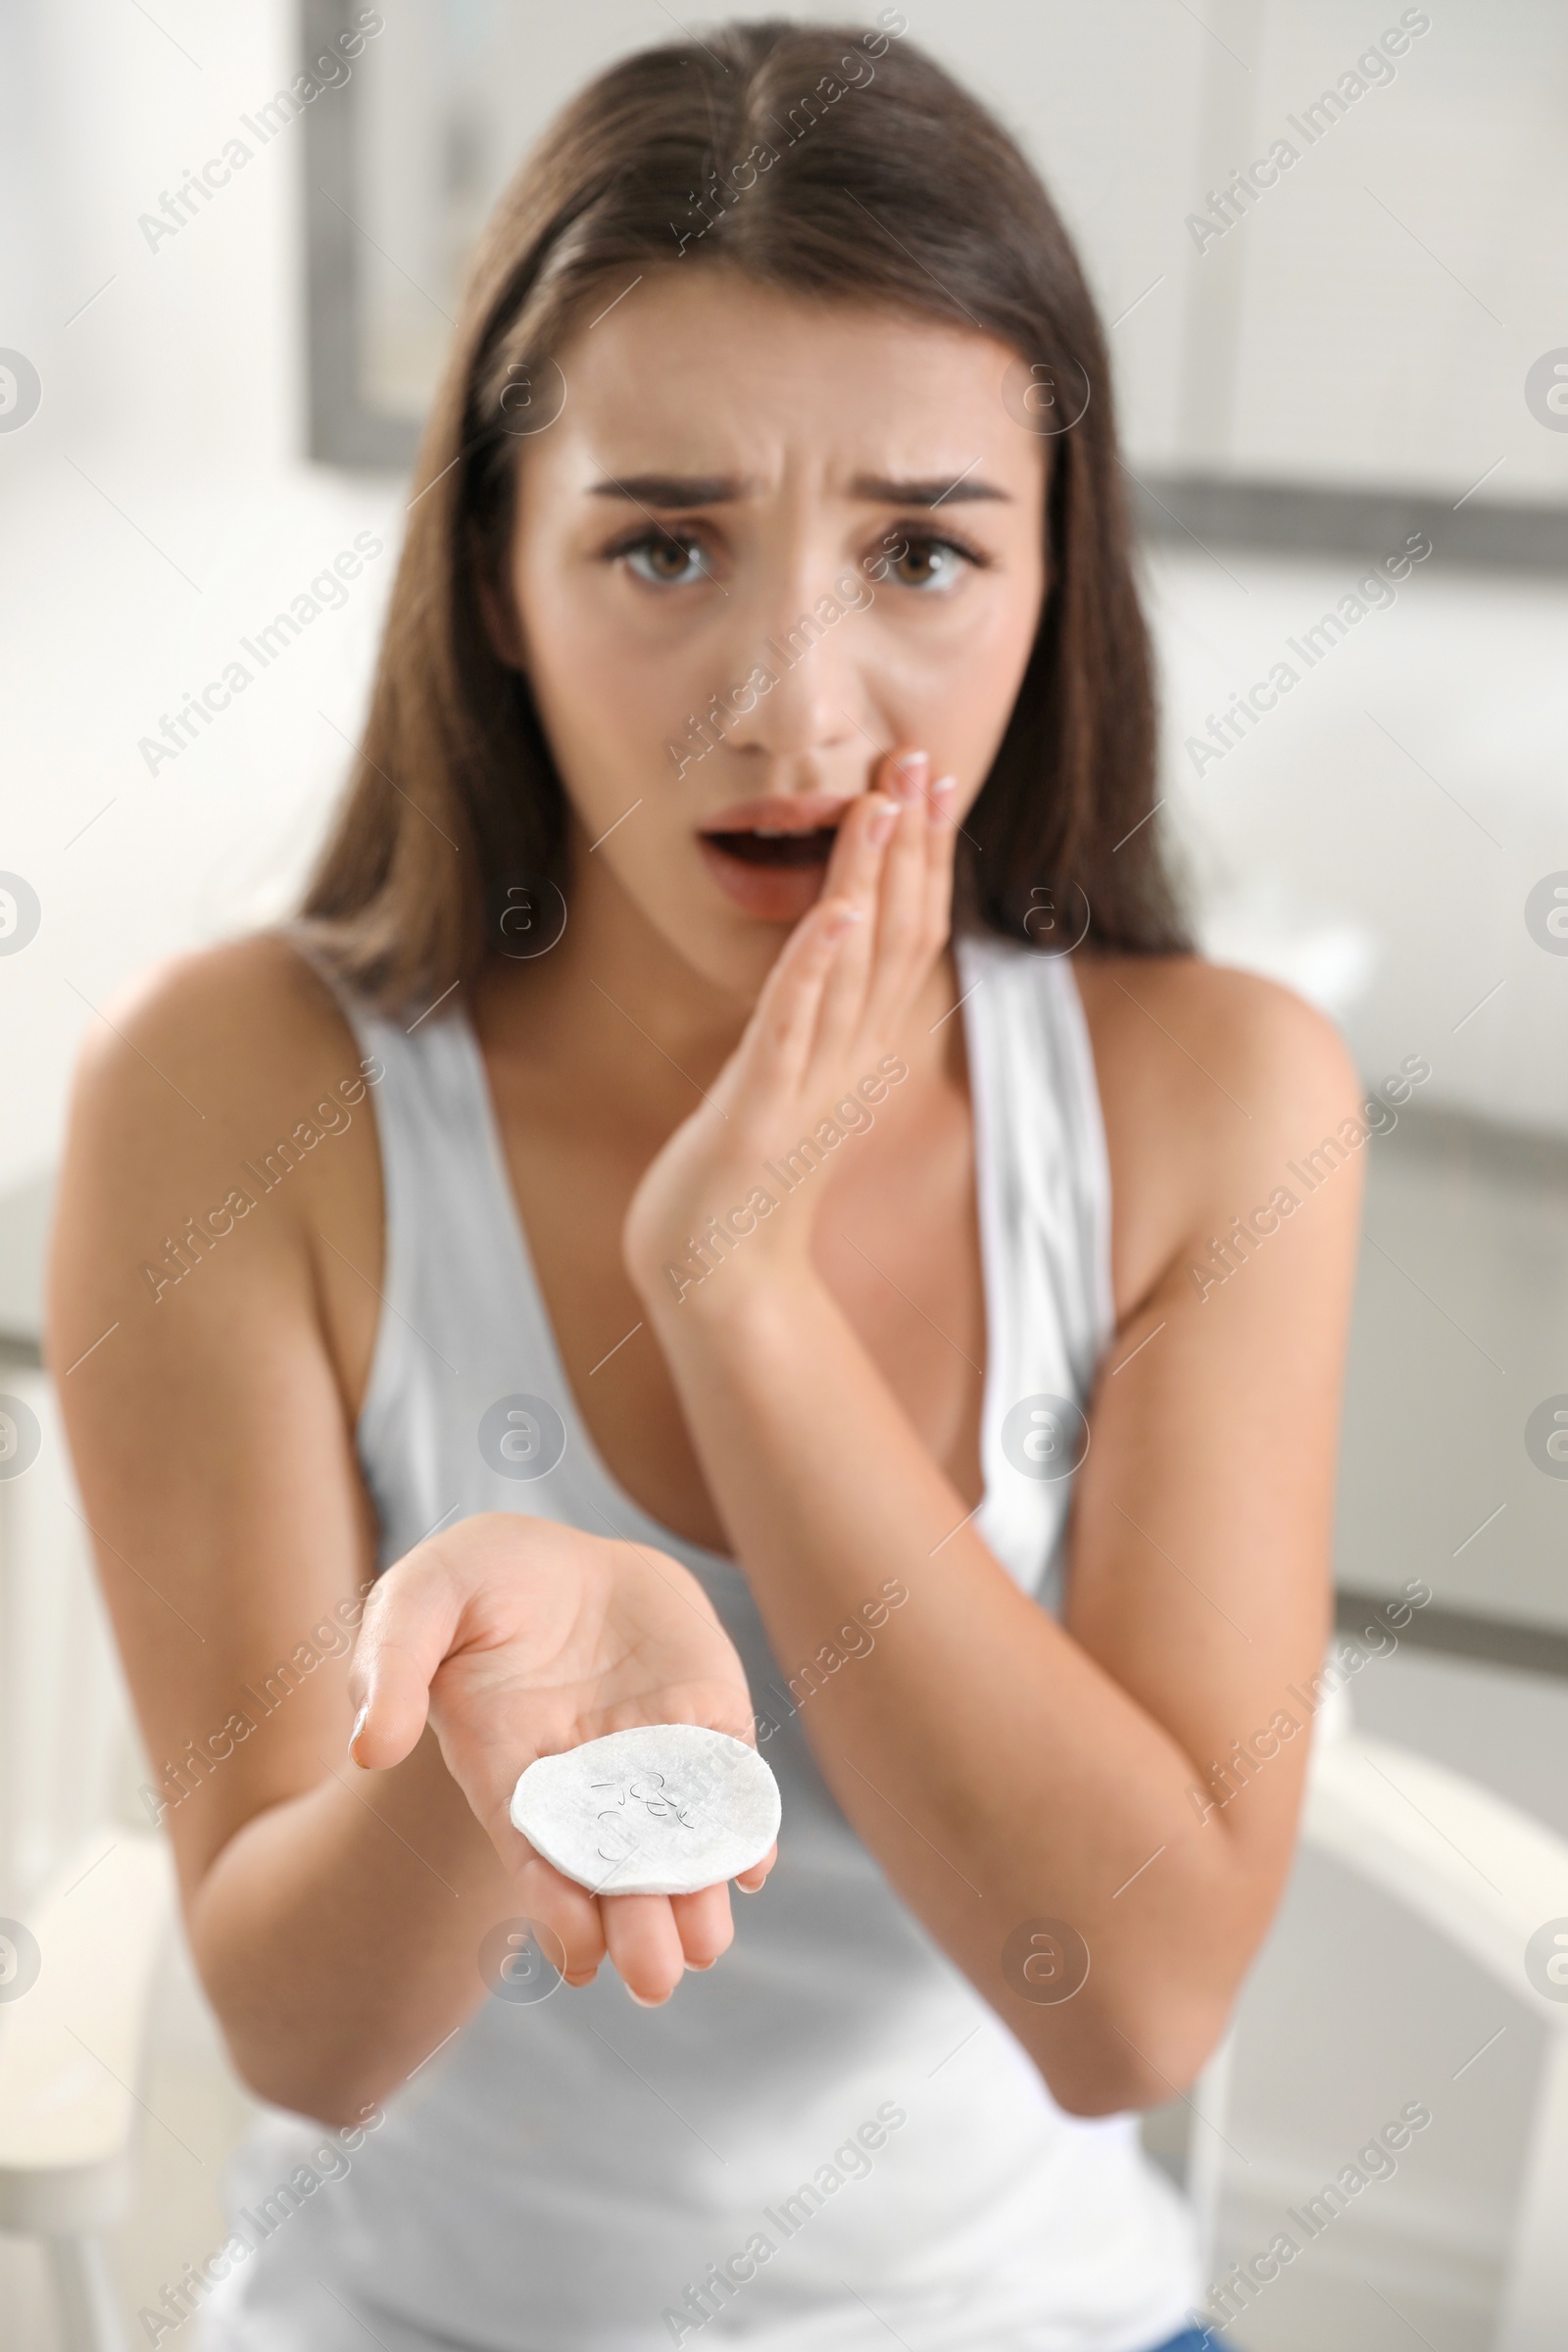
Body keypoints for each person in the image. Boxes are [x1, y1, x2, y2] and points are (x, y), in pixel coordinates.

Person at [50, 17, 1363, 2349]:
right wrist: (488, 1739)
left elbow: (1128, 2014)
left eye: (920, 554)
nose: (792, 704)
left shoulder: (1214, 1104)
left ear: (1053, 577)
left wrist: (734, 1290)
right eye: (663, 543)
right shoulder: (228, 1089)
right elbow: (301, 2038)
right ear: (486, 578)